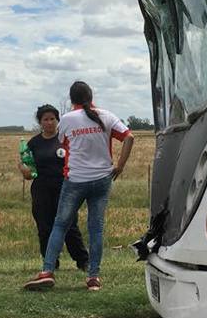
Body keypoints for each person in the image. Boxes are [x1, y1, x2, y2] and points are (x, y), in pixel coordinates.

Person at [24, 81, 134, 292]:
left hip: (75, 179)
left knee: (60, 224)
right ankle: (93, 277)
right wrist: (120, 165)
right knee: (96, 228)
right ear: (91, 97)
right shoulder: (107, 116)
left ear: (71, 99)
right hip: (102, 179)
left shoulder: (67, 119)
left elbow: (64, 142)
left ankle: (47, 271)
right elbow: (129, 137)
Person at [18, 104, 89, 272]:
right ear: (40, 122)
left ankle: (83, 261)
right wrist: (23, 170)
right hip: (41, 189)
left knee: (70, 225)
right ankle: (51, 262)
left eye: (52, 119)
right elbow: (28, 169)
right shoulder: (33, 143)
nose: (49, 123)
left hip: (65, 188)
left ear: (58, 120)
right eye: (45, 119)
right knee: (44, 227)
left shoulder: (66, 140)